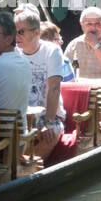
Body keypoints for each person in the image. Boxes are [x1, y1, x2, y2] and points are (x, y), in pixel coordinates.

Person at [14, 8, 66, 160]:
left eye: (21, 32)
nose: (16, 36)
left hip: (48, 114)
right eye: (14, 32)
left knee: (51, 133)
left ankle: (26, 171)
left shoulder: (52, 51)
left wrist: (48, 123)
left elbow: (54, 88)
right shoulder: (13, 52)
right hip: (21, 114)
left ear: (36, 32)